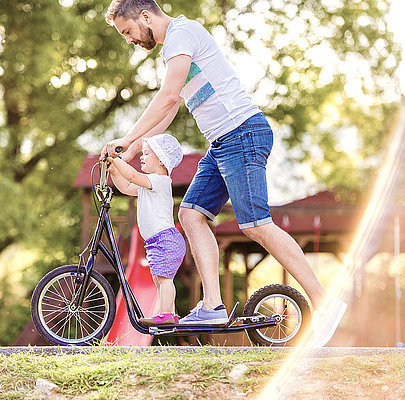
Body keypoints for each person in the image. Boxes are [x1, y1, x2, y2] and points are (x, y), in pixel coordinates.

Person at [101, 0, 346, 346]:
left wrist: (126, 138)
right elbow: (169, 111)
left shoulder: (181, 35)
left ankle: (324, 303)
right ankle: (213, 305)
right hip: (223, 142)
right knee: (190, 215)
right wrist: (132, 147)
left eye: (127, 31)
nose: (129, 39)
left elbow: (168, 97)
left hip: (242, 132)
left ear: (145, 16)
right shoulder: (172, 50)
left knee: (256, 225)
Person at [106, 133, 186, 326]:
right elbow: (126, 186)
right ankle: (169, 314)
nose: (141, 157)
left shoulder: (159, 181)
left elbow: (132, 175)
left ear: (161, 161)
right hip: (156, 241)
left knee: (164, 279)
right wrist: (115, 172)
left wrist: (116, 159)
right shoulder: (147, 186)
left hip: (165, 239)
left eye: (147, 154)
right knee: (160, 280)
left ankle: (166, 314)